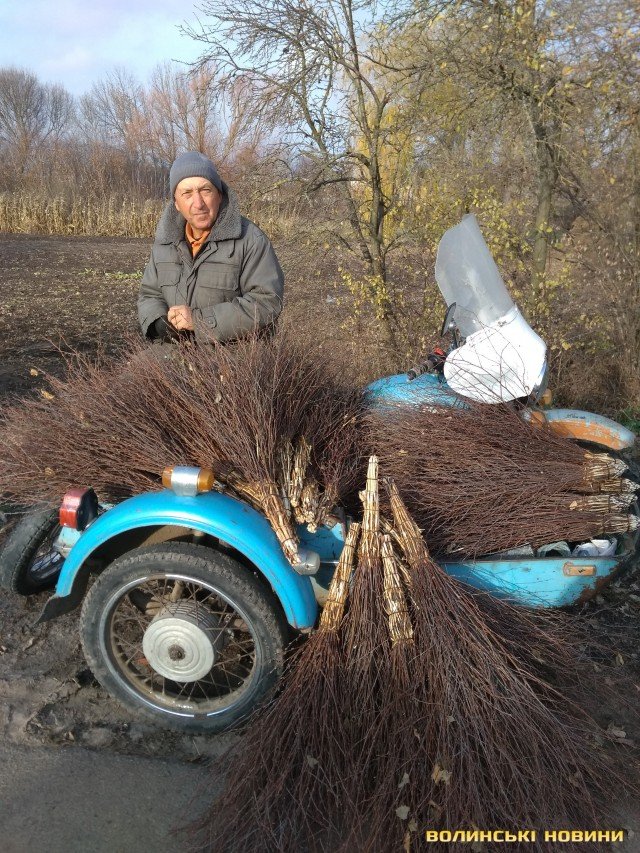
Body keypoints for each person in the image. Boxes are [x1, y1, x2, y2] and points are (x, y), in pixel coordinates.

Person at [138, 151, 284, 343]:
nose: (198, 203)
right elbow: (149, 294)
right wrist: (160, 323)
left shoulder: (250, 239)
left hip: (231, 359)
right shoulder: (165, 243)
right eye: (187, 193)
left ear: (219, 195)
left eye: (205, 190)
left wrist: (199, 322)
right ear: (176, 204)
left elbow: (266, 301)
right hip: (171, 353)